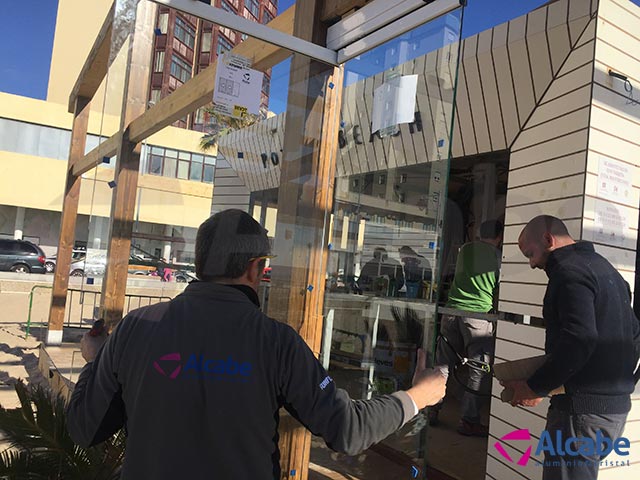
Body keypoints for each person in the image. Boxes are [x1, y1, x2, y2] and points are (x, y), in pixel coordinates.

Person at [67, 209, 446, 479]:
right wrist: (418, 395)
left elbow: (85, 428)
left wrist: (94, 360)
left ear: (200, 264)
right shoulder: (276, 342)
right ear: (255, 269)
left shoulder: (136, 328)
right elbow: (348, 429)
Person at [504, 215, 640, 480]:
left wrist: (536, 386)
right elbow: (634, 334)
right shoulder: (607, 270)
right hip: (613, 411)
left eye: (530, 254)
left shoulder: (568, 273)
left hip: (580, 415)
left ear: (548, 239)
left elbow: (580, 339)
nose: (532, 263)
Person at [430, 219, 503, 436]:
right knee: (479, 370)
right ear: (499, 237)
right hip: (477, 317)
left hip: (451, 313)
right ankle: (469, 421)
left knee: (442, 366)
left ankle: (432, 410)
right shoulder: (497, 257)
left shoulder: (465, 250)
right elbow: (500, 284)